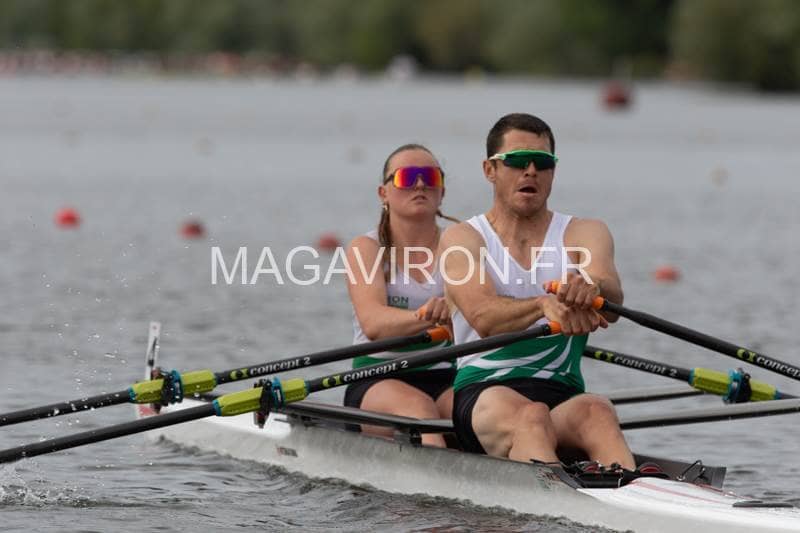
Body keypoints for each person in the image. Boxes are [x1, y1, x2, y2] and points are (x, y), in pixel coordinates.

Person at [440, 113, 636, 469]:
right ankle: (560, 494)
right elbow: (484, 317)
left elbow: (612, 301)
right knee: (531, 417)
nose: (531, 170)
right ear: (490, 170)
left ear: (553, 172)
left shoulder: (585, 232)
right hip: (485, 395)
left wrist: (592, 289)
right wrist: (542, 305)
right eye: (517, 161)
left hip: (562, 395)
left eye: (543, 162)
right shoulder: (463, 238)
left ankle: (637, 494)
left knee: (598, 410)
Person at [343, 143, 458, 447]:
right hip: (377, 377)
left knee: (482, 412)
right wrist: (428, 316)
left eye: (430, 177)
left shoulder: (460, 246)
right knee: (420, 409)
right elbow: (374, 324)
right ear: (384, 193)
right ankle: (438, 475)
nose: (420, 185)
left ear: (442, 192)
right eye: (407, 177)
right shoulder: (367, 249)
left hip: (445, 375)